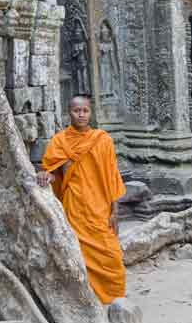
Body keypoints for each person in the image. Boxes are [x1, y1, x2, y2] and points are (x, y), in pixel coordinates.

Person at [37, 94, 126, 304]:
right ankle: (90, 299)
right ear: (70, 112)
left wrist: (115, 210)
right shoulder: (60, 141)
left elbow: (112, 176)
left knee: (111, 256)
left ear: (91, 112)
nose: (81, 115)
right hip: (75, 206)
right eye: (77, 111)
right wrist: (45, 175)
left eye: (85, 110)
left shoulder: (103, 140)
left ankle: (114, 298)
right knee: (80, 255)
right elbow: (53, 172)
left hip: (101, 207)